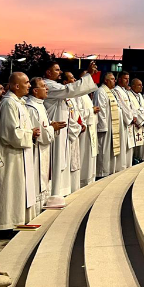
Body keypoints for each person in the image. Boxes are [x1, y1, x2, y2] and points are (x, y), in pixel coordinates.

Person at [0, 72, 39, 230]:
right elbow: (9, 133)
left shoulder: (18, 102)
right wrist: (30, 133)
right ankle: (5, 224)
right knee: (9, 189)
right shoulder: (9, 104)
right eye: (26, 82)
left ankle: (16, 221)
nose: (29, 85)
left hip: (19, 155)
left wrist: (30, 132)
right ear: (16, 86)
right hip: (9, 156)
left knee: (17, 189)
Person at [42, 62, 97, 196]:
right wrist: (89, 74)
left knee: (63, 162)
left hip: (64, 132)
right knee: (56, 162)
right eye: (57, 70)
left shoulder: (55, 85)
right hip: (55, 132)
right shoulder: (48, 85)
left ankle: (62, 192)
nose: (59, 72)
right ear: (48, 72)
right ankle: (55, 193)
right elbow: (69, 90)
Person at [25, 78, 61, 213]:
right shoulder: (32, 108)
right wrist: (53, 128)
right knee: (37, 181)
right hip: (36, 153)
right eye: (43, 86)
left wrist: (53, 127)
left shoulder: (40, 105)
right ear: (35, 91)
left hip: (44, 151)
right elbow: (41, 134)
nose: (47, 89)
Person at [93, 73, 125, 178]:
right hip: (105, 128)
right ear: (106, 81)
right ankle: (101, 173)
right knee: (103, 151)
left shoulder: (111, 92)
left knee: (109, 152)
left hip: (112, 127)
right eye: (111, 79)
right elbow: (100, 110)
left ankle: (110, 171)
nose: (114, 81)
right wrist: (102, 127)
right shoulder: (100, 91)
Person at [62, 72, 85, 193]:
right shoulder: (63, 98)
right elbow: (66, 117)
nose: (75, 79)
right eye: (72, 78)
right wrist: (78, 127)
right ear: (65, 83)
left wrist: (81, 124)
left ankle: (75, 190)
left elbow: (77, 113)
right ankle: (68, 191)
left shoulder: (71, 97)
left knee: (75, 162)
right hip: (69, 135)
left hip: (75, 133)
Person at [77, 70, 99, 186]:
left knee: (91, 156)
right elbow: (78, 112)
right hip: (84, 131)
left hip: (91, 128)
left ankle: (90, 179)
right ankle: (83, 181)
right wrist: (92, 110)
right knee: (84, 157)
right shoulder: (78, 94)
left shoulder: (85, 95)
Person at [126, 78, 144, 163]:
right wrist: (141, 121)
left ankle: (139, 161)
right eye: (139, 85)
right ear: (133, 86)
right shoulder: (129, 95)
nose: (141, 87)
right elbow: (133, 110)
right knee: (133, 149)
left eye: (141, 85)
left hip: (142, 125)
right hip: (135, 125)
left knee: (141, 149)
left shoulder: (140, 96)